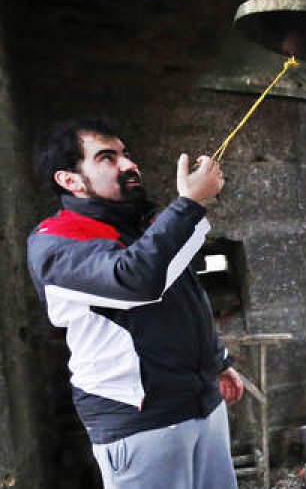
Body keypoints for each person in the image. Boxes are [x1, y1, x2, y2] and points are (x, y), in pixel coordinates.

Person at [26, 119, 244, 489]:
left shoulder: (142, 225)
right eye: (107, 158)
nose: (128, 165)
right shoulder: (54, 243)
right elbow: (135, 281)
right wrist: (189, 204)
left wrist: (217, 362)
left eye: (125, 154)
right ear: (70, 180)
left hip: (200, 403)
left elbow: (185, 297)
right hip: (140, 420)